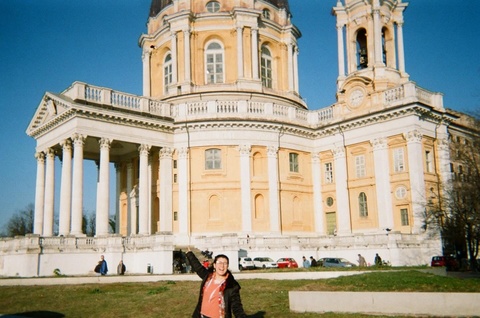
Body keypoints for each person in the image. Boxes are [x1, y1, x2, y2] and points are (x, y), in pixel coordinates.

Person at [186, 247, 247, 318]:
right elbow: (198, 268)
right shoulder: (208, 277)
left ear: (227, 266)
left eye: (225, 263)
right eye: (219, 263)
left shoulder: (232, 285)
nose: (222, 266)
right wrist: (190, 254)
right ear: (214, 265)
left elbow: (237, 308)